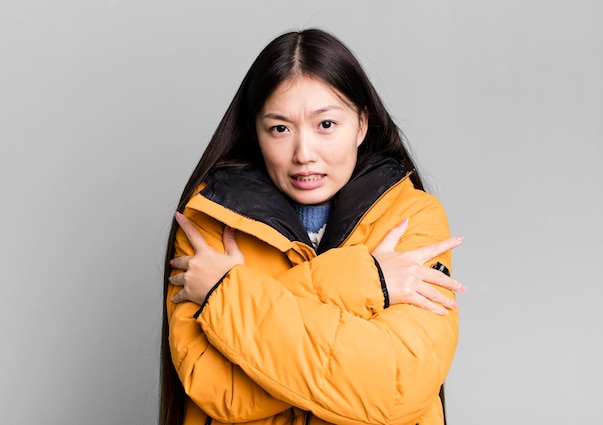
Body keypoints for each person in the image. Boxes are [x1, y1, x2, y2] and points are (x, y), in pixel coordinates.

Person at [160, 28, 465, 425]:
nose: (304, 154)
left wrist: (226, 294)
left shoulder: (414, 219)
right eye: (280, 129)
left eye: (326, 125)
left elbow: (395, 386)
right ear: (256, 131)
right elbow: (218, 387)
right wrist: (371, 282)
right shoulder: (208, 222)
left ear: (361, 125)